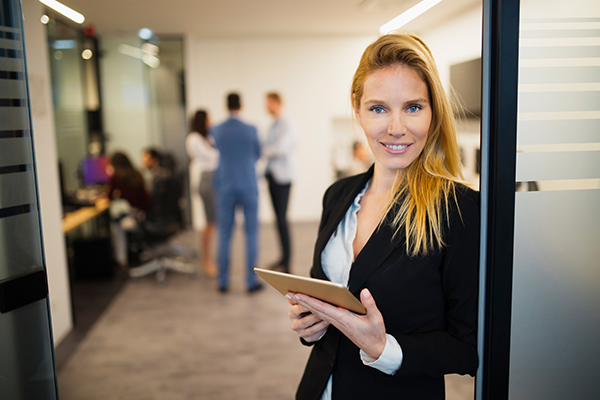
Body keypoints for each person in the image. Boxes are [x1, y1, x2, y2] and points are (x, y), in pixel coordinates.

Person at [286, 32, 479, 400]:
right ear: (357, 108)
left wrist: (384, 349)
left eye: (412, 107)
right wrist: (307, 324)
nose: (395, 128)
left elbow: (468, 348)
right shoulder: (338, 196)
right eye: (378, 109)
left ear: (433, 110)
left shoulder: (459, 210)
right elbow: (323, 302)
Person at [212, 93, 262, 293]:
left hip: (225, 184)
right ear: (241, 105)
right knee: (251, 233)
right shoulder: (251, 129)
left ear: (226, 105)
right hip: (248, 183)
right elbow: (258, 153)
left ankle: (222, 281)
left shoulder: (216, 130)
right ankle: (250, 281)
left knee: (224, 233)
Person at [263, 92, 297, 273]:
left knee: (282, 220)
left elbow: (281, 149)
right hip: (271, 176)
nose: (265, 106)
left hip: (283, 178)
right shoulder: (272, 126)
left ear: (276, 103)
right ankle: (282, 257)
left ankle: (287, 262)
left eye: (268, 103)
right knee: (277, 220)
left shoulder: (287, 124)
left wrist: (264, 149)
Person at [186, 110, 220, 278]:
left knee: (212, 222)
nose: (210, 121)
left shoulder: (207, 137)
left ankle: (208, 258)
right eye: (208, 118)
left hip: (213, 180)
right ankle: (206, 259)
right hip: (206, 182)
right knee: (210, 223)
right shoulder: (193, 139)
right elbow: (211, 158)